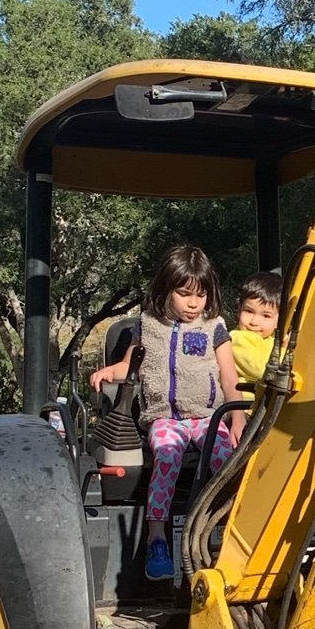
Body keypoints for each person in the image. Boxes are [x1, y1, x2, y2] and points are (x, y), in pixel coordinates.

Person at [90, 245, 233, 583]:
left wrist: (236, 417)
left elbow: (229, 375)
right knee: (167, 456)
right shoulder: (148, 325)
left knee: (226, 459)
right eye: (185, 294)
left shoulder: (214, 327)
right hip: (164, 418)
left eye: (200, 294)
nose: (193, 303)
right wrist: (108, 372)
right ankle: (157, 539)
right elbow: (130, 365)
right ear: (166, 290)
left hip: (208, 417)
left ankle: (230, 535)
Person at [229, 271, 282, 414]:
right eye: (249, 311)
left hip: (264, 408)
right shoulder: (238, 339)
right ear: (239, 310)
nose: (254, 322)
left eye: (266, 316)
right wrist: (283, 349)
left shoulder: (270, 340)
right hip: (245, 410)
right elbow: (262, 371)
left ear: (280, 320)